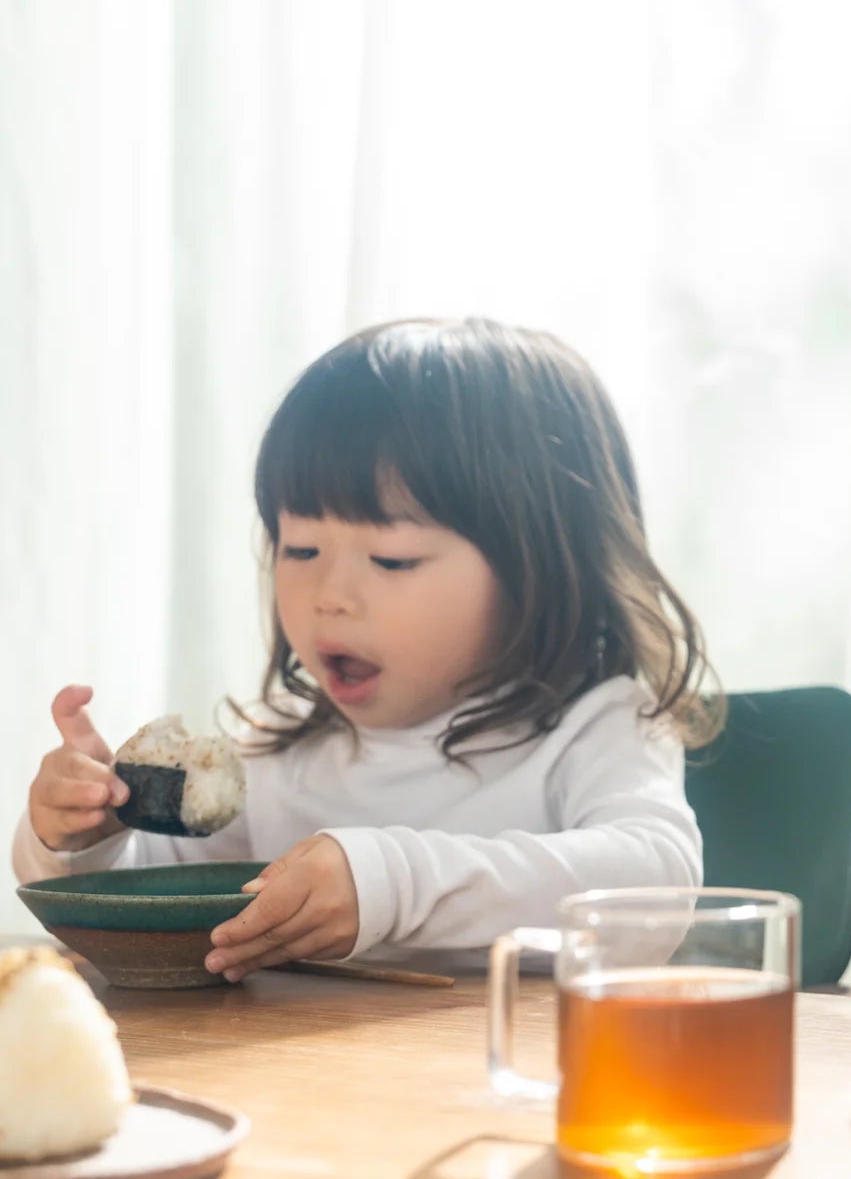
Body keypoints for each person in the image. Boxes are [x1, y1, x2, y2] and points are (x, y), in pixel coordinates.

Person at [17, 317, 716, 979]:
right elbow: (152, 893)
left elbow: (654, 883)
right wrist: (85, 835)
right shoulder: (282, 757)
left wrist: (393, 882)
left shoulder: (596, 727)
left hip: (517, 1089)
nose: (328, 594)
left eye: (391, 559)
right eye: (301, 547)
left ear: (540, 568)